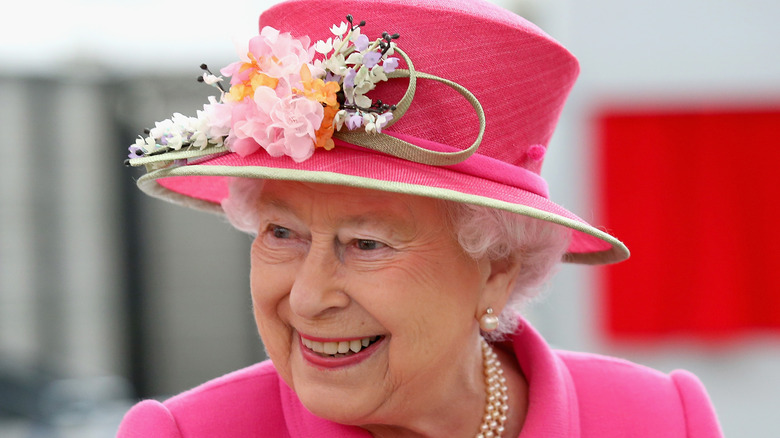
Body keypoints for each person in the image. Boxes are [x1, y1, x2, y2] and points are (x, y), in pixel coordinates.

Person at [118, 0, 723, 436]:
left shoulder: (662, 420)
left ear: (497, 271)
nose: (306, 299)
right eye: (283, 233)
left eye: (367, 243)